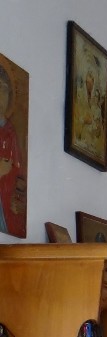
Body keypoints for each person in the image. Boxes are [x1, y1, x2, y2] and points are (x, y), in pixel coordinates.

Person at [0, 64, 26, 238]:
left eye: (4, 90)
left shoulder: (10, 131)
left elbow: (19, 172)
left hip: (6, 202)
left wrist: (19, 196)